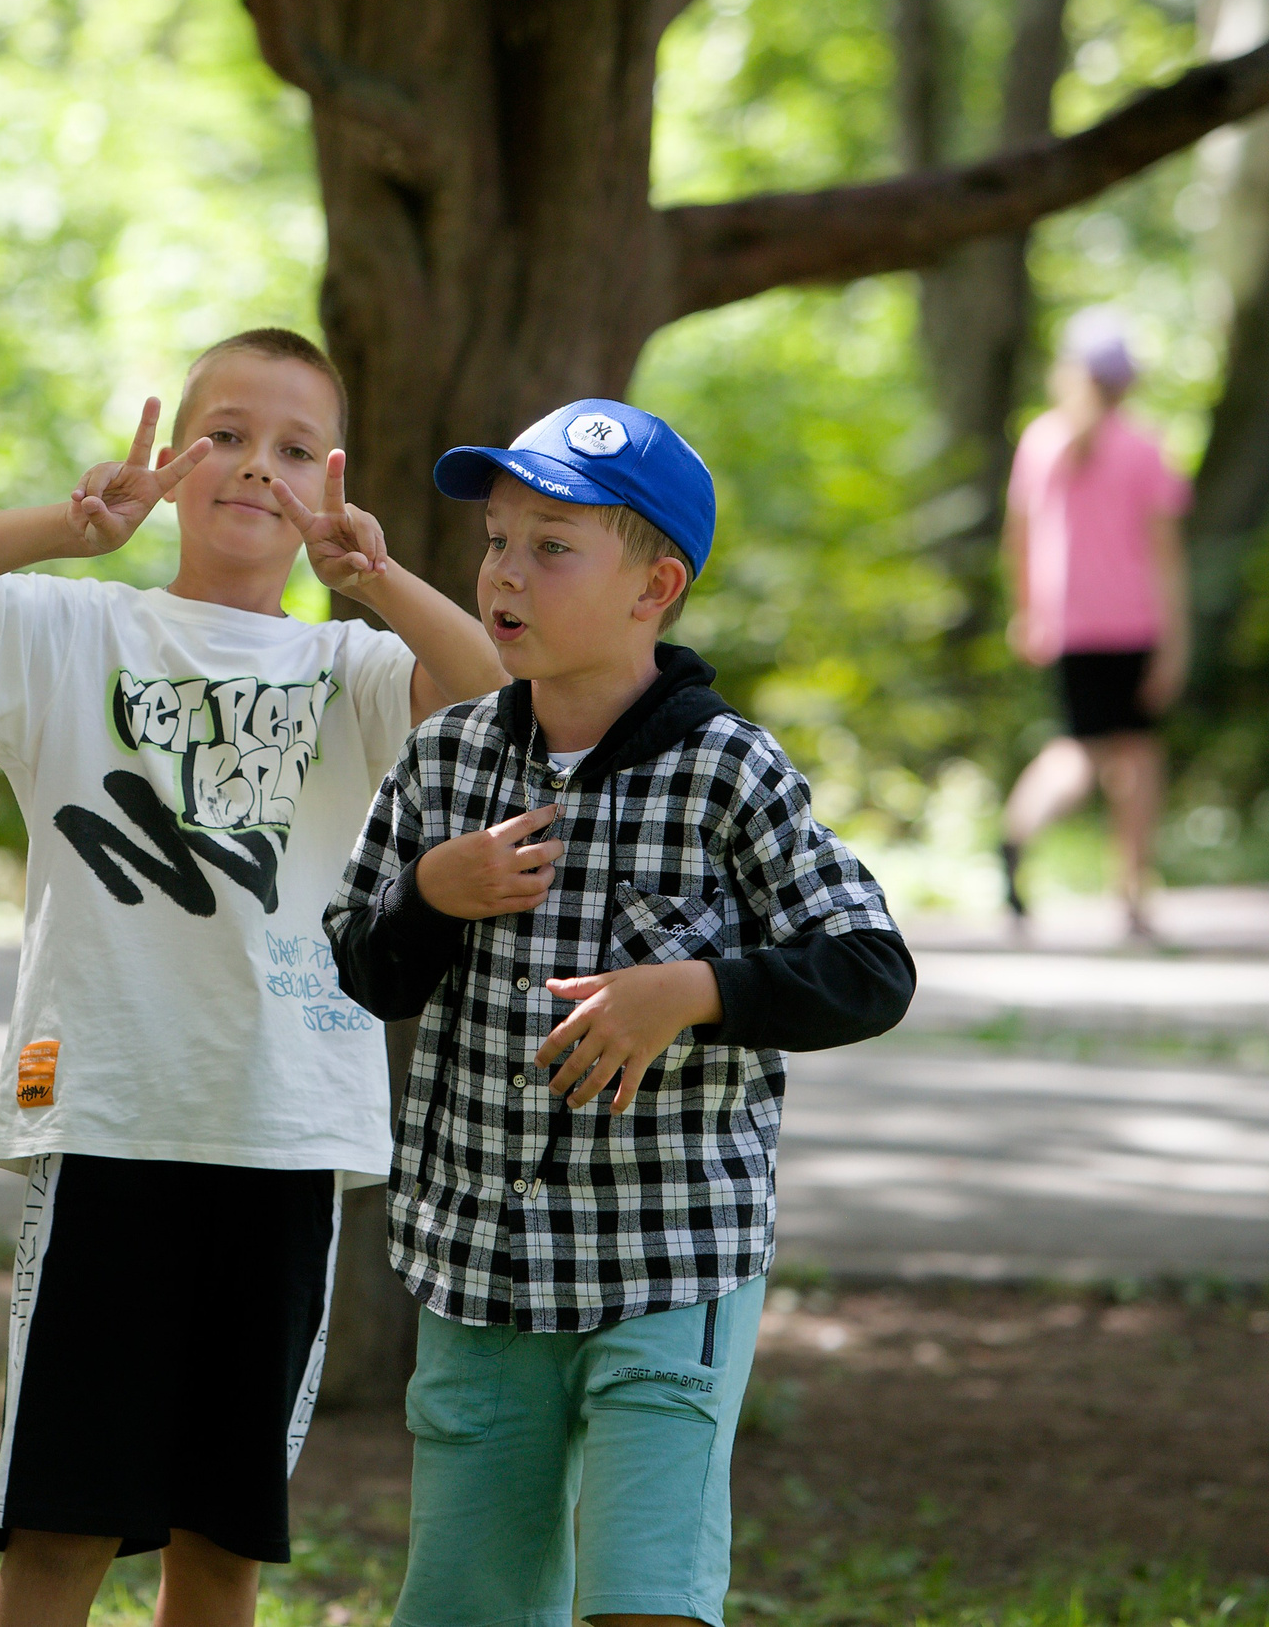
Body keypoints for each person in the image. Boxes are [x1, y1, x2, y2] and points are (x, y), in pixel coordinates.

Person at [0, 329, 507, 1627]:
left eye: (295, 450)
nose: (253, 469)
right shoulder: (77, 627)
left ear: (332, 483)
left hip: (285, 1134)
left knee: (219, 1541)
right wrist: (68, 525)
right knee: (58, 1521)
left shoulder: (350, 666)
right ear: (172, 458)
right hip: (110, 1120)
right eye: (223, 434)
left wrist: (380, 580)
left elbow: (500, 692)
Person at [323, 398, 916, 1627]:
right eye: (495, 541)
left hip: (667, 1256)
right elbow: (365, 969)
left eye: (552, 545)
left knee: (645, 1596)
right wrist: (435, 891)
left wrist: (689, 991)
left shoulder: (725, 769)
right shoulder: (443, 761)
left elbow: (869, 966)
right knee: (467, 1605)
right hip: (476, 1259)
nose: (504, 573)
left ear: (655, 585)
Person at [998, 307, 1193, 940]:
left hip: (1067, 624)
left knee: (1078, 747)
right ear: (1127, 380)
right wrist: (1176, 640)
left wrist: (1026, 613)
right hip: (1133, 624)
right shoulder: (1144, 446)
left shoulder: (1041, 440)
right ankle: (1133, 894)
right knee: (1134, 755)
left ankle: (1018, 831)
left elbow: (1018, 539)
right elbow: (1165, 554)